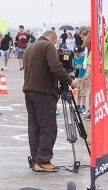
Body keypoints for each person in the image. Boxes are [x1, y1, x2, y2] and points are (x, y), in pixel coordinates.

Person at [22, 30, 77, 172]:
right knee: (48, 128)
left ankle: (36, 159)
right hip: (44, 93)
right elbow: (56, 67)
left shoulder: (29, 48)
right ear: (53, 39)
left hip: (29, 92)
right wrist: (69, 81)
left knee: (34, 127)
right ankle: (43, 160)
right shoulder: (48, 46)